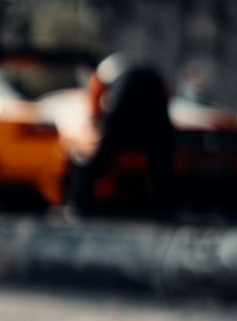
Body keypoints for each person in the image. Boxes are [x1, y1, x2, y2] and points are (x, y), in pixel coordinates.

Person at [70, 52, 175, 216]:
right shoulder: (148, 69)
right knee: (160, 162)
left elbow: (95, 95)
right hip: (154, 112)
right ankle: (163, 207)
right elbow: (168, 94)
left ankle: (79, 202)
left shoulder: (106, 67)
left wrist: (96, 121)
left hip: (124, 109)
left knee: (102, 158)